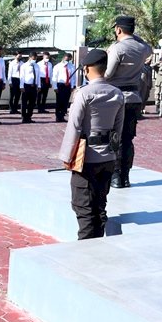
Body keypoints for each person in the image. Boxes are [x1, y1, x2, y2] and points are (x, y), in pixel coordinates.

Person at [59, 49, 124, 240]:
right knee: (100, 205)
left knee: (83, 207)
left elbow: (74, 127)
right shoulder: (117, 93)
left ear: (86, 69)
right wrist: (112, 153)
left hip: (86, 158)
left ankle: (85, 252)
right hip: (108, 157)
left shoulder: (84, 93)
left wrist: (66, 156)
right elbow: (118, 130)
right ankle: (98, 246)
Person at [104, 16, 152, 188]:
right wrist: (133, 36)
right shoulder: (142, 47)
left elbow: (108, 74)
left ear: (118, 29)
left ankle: (115, 177)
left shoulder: (117, 48)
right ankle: (125, 176)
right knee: (128, 138)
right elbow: (149, 48)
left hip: (116, 98)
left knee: (115, 137)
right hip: (134, 97)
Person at [52, 52, 76, 123]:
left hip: (68, 85)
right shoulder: (57, 66)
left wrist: (72, 86)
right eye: (66, 59)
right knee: (59, 101)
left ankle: (62, 115)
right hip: (60, 85)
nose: (67, 61)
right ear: (63, 58)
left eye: (69, 60)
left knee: (65, 101)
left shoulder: (71, 66)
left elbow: (73, 77)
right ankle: (58, 116)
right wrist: (55, 87)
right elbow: (54, 77)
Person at [19, 52, 40, 124]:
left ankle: (29, 117)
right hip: (26, 86)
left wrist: (39, 85)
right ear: (30, 58)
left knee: (32, 103)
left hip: (34, 86)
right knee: (24, 102)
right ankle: (24, 117)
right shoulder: (24, 66)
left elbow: (38, 76)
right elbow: (21, 76)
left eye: (36, 58)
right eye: (33, 58)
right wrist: (21, 86)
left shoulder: (37, 66)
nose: (35, 59)